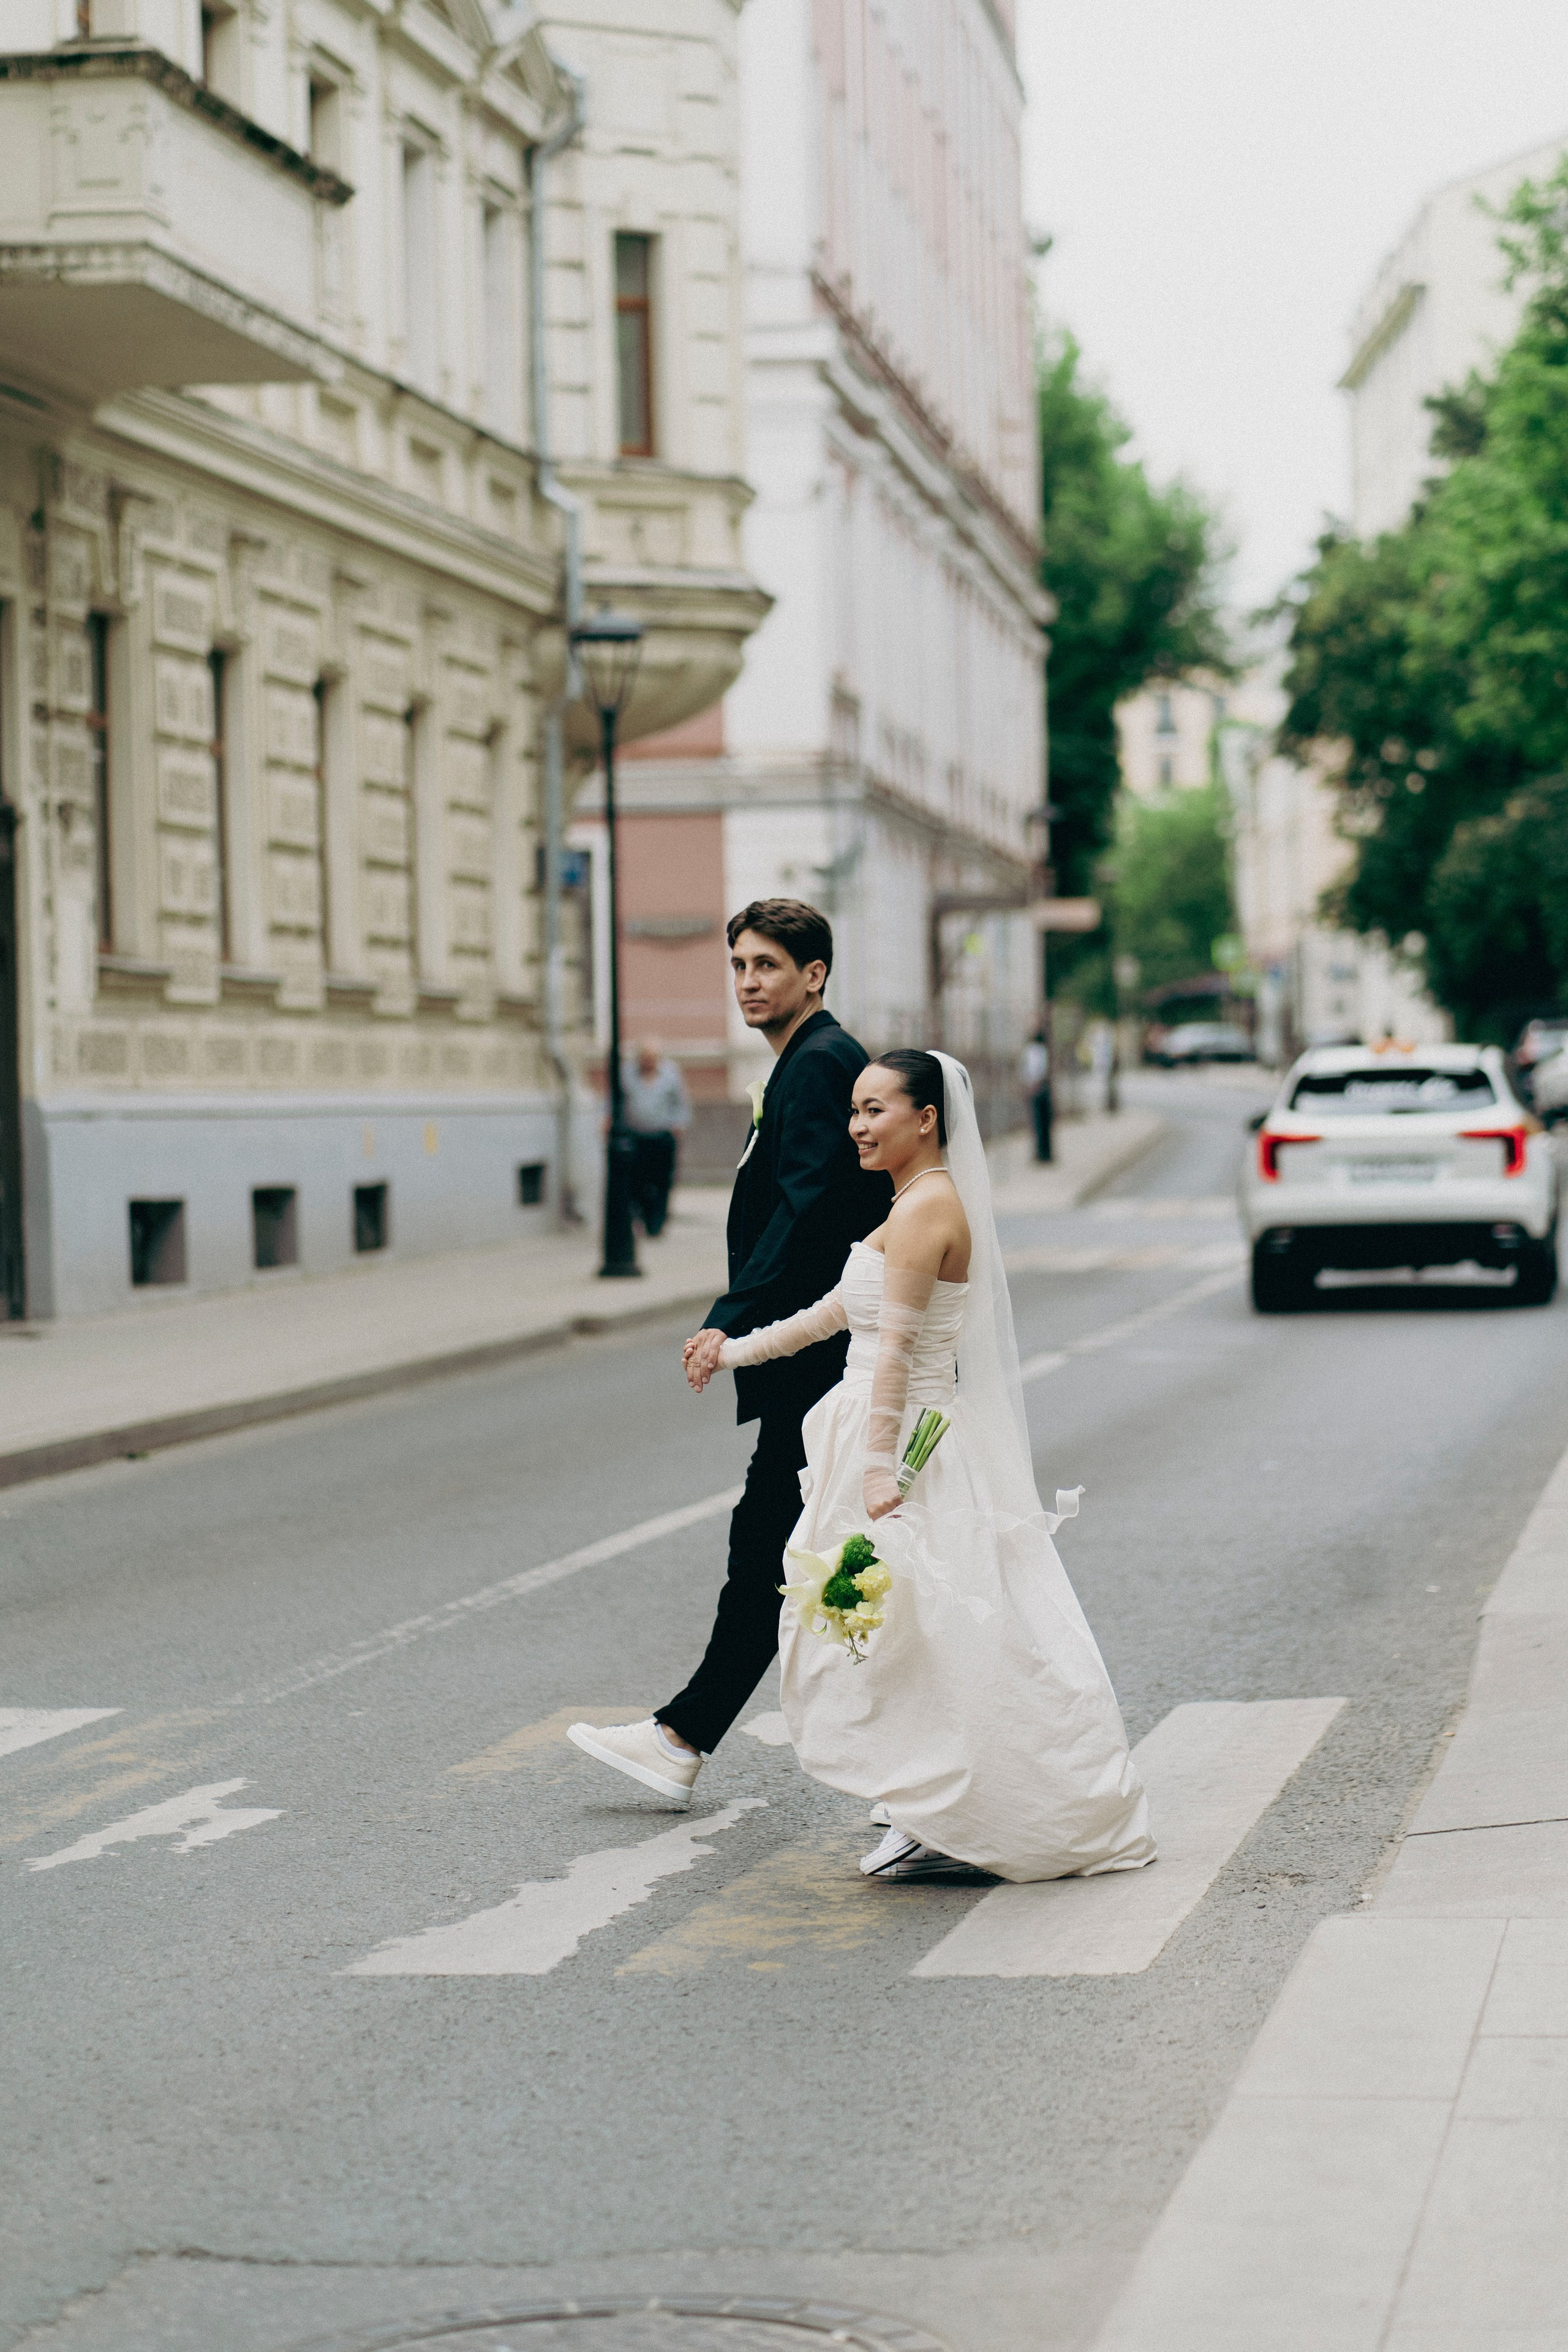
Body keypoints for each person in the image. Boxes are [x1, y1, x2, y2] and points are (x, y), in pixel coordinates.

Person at [688, 1048, 1153, 1883]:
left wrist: (879, 1474)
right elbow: (837, 1316)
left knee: (930, 1630)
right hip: (878, 1436)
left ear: (926, 1119)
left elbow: (897, 1350)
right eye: (856, 1110)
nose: (857, 1126)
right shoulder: (905, 1205)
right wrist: (732, 1352)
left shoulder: (928, 1210)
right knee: (893, 1629)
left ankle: (944, 1810)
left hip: (907, 1450)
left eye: (876, 1111)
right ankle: (925, 1804)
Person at [568, 900, 889, 1802]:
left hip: (825, 1369)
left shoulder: (822, 1064)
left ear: (814, 975)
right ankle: (684, 1737)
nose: (748, 982)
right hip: (815, 1362)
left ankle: (687, 1738)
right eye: (739, 966)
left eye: (767, 967)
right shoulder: (805, 1062)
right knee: (800, 1564)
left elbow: (809, 1209)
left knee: (798, 1564)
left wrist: (732, 1320)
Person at [622, 1039, 690, 1237]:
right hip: (636, 1136)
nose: (649, 1062)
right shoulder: (628, 1074)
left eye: (652, 1058)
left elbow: (681, 1102)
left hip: (662, 1136)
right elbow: (615, 1099)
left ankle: (657, 1222)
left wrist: (679, 1124)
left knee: (662, 1181)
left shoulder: (670, 1073)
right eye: (645, 1058)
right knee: (637, 1181)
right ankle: (642, 1217)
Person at [1022, 1029, 1052, 1163]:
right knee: (1043, 1123)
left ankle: (1041, 1153)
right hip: (1041, 1088)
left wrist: (1031, 1085)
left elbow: (1030, 1070)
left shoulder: (1032, 1051)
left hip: (1036, 1089)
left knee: (1039, 1123)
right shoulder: (1042, 1051)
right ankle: (1045, 1153)